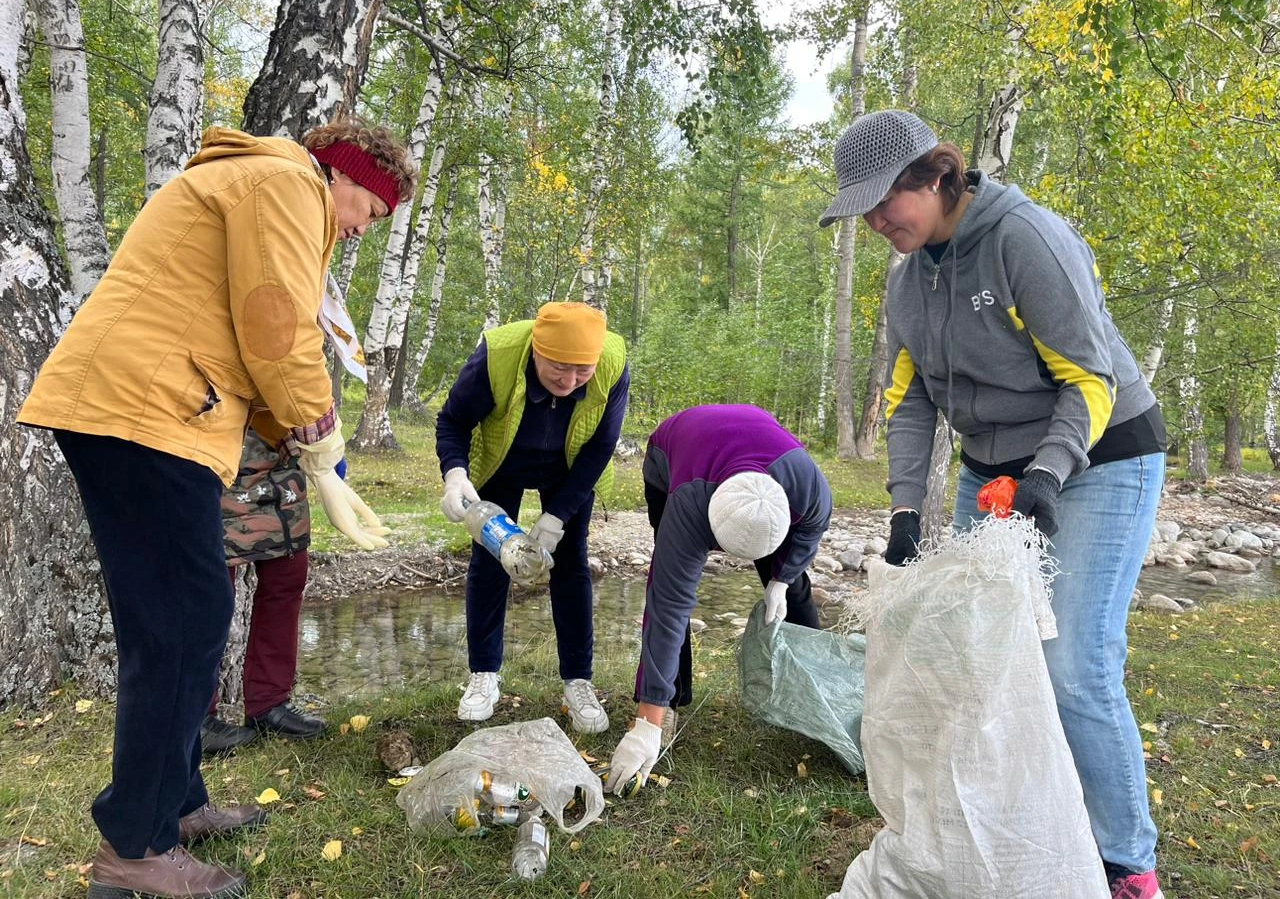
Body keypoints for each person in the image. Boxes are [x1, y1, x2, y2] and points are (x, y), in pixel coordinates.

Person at [18, 118, 415, 899]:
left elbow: (244, 331)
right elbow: (274, 322)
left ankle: (179, 802)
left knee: (183, 617)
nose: (365, 228)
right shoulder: (285, 184)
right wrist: (322, 438)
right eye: (370, 209)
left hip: (156, 411)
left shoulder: (269, 184)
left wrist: (297, 440)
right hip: (140, 411)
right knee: (184, 619)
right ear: (346, 174)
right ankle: (137, 845)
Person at [818, 110, 1168, 899]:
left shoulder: (1025, 241)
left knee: (1074, 664)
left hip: (1103, 452)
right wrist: (907, 512)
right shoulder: (907, 278)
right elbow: (907, 403)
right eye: (864, 211)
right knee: (976, 657)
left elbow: (1090, 377)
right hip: (994, 466)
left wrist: (1048, 473)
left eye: (886, 203)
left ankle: (1125, 864)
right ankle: (1010, 829)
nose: (876, 222)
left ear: (939, 176)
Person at [606, 404, 833, 794]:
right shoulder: (688, 505)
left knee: (795, 591)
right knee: (668, 587)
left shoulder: (809, 487)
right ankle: (664, 707)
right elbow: (669, 606)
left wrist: (783, 577)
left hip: (761, 458)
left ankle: (818, 695)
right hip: (672, 453)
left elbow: (811, 532)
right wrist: (646, 722)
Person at [436, 302, 629, 732]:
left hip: (570, 464)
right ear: (536, 352)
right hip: (503, 458)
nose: (571, 380)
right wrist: (454, 474)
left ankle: (578, 681)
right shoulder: (498, 355)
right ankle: (484, 675)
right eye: (559, 368)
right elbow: (452, 421)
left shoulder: (612, 364)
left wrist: (558, 515)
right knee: (489, 564)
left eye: (582, 371)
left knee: (571, 566)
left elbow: (600, 446)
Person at [199, 423, 327, 756]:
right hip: (216, 453)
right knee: (207, 595)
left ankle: (269, 705)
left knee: (287, 576)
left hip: (282, 466)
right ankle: (195, 717)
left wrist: (325, 452)